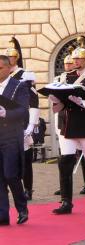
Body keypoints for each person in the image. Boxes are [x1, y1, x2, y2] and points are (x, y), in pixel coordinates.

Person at [50, 36, 85, 214]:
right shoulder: (65, 77)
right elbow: (60, 102)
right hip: (68, 123)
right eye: (74, 59)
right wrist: (55, 99)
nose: (76, 61)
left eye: (79, 58)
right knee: (65, 161)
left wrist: (81, 101)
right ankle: (66, 202)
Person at [53, 46, 85, 196]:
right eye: (68, 63)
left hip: (80, 121)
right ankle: (64, 188)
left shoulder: (84, 77)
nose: (69, 65)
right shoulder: (61, 78)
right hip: (64, 120)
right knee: (65, 157)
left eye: (73, 62)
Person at [6, 37, 39, 201]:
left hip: (21, 119)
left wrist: (32, 124)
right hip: (4, 121)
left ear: (16, 58)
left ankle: (28, 189)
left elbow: (34, 101)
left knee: (25, 156)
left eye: (10, 57)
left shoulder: (25, 75)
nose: (7, 60)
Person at [0, 55, 29, 225]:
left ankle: (22, 207)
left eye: (0, 68)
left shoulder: (19, 86)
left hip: (11, 135)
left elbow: (23, 111)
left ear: (9, 68)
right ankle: (3, 214)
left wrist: (6, 114)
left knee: (11, 174)